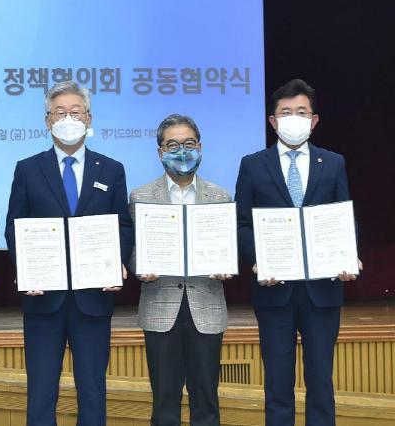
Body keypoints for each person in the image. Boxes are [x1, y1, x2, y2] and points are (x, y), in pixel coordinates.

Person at [5, 80, 134, 426]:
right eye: (59, 112)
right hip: (43, 298)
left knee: (92, 389)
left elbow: (122, 225)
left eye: (75, 112)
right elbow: (15, 226)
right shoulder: (28, 169)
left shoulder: (111, 169)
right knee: (41, 389)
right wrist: (25, 269)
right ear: (47, 121)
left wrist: (117, 263)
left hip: (93, 297)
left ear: (88, 118)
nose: (68, 119)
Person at [235, 79, 361, 426]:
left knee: (321, 382)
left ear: (314, 120)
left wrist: (348, 255)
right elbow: (241, 223)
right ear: (273, 121)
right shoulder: (253, 164)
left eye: (301, 112)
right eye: (286, 112)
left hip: (323, 289)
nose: (294, 118)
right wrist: (258, 260)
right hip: (274, 290)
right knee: (277, 384)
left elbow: (343, 216)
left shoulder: (332, 162)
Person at [129, 114, 232, 426]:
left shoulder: (220, 196)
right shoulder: (141, 196)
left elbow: (227, 246)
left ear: (200, 147)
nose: (182, 151)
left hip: (206, 306)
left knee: (206, 403)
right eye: (172, 145)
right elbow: (132, 251)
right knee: (164, 404)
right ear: (160, 151)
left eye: (189, 144)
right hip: (160, 307)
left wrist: (225, 264)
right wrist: (139, 267)